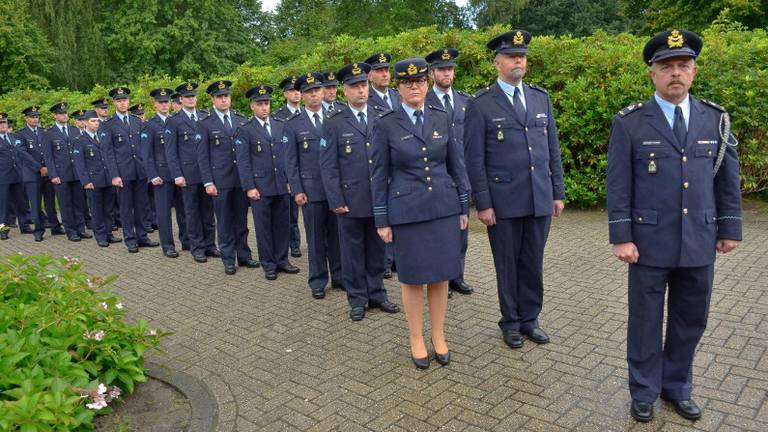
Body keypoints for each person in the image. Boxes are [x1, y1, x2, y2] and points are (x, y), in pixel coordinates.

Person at [606, 29, 742, 423]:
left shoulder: (715, 120)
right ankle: (645, 391)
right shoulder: (630, 123)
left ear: (694, 71)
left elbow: (726, 180)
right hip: (647, 243)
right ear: (653, 74)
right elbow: (618, 185)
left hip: (699, 238)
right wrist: (622, 235)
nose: (676, 74)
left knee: (690, 319)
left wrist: (730, 228)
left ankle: (677, 386)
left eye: (683, 66)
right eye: (667, 67)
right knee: (646, 321)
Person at [464, 30, 565, 350]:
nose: (518, 60)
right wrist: (483, 202)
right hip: (503, 201)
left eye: (521, 56)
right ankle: (510, 321)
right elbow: (474, 159)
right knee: (507, 264)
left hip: (538, 196)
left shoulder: (540, 98)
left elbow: (552, 149)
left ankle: (530, 319)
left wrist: (557, 191)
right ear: (497, 63)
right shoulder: (481, 104)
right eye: (511, 56)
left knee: (533, 262)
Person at [370, 58, 470, 369]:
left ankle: (438, 335)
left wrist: (463, 206)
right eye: (407, 82)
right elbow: (378, 174)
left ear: (427, 84)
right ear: (398, 87)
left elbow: (457, 165)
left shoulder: (442, 117)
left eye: (420, 81)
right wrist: (382, 219)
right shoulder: (386, 123)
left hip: (442, 207)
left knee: (441, 276)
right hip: (407, 211)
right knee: (412, 279)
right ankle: (416, 337)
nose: (415, 86)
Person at [320, 62, 400, 321]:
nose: (361, 91)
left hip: (379, 198)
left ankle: (377, 293)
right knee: (352, 252)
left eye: (363, 85)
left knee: (378, 249)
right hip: (350, 200)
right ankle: (357, 298)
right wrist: (335, 199)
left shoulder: (381, 115)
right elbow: (328, 165)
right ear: (344, 91)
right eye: (354, 87)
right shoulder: (334, 123)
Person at [284, 72, 343, 299]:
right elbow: (291, 162)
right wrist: (297, 189)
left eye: (317, 90)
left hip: (336, 190)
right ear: (302, 95)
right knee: (316, 239)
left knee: (337, 236)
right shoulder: (293, 124)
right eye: (308, 92)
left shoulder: (336, 117)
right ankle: (318, 280)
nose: (314, 95)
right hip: (312, 191)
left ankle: (339, 276)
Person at [235, 84, 300, 280]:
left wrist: (291, 181)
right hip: (260, 188)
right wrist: (249, 187)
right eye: (260, 104)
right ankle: (269, 264)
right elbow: (243, 162)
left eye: (266, 103)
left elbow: (289, 157)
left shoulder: (281, 125)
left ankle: (282, 260)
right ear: (252, 106)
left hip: (281, 185)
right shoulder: (245, 130)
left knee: (283, 225)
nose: (264, 107)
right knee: (263, 228)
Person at [197, 80, 259, 275]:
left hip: (240, 180)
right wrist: (208, 181)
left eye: (226, 96)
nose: (224, 100)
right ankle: (228, 258)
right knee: (224, 221)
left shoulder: (240, 119)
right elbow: (202, 156)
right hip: (220, 180)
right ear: (212, 99)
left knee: (241, 220)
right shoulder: (205, 124)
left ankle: (244, 255)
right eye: (220, 97)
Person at [425, 47, 473, 297]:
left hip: (463, 175)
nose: (447, 73)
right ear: (433, 73)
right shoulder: (424, 102)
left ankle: (457, 276)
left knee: (461, 230)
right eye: (442, 69)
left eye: (450, 69)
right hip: (438, 175)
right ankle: (439, 279)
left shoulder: (466, 101)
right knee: (439, 231)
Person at [165, 82, 219, 263]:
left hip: (207, 174)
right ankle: (197, 247)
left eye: (193, 96)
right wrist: (177, 174)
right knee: (192, 212)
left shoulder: (205, 117)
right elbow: (171, 152)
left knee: (208, 211)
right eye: (187, 97)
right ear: (181, 99)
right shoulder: (173, 121)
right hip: (188, 174)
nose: (191, 99)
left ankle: (210, 245)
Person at [101, 86, 159, 253]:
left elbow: (144, 149)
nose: (123, 103)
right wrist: (114, 175)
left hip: (140, 171)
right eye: (119, 100)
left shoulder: (136, 121)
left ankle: (142, 236)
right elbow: (108, 152)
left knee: (141, 205)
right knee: (126, 208)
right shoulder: (109, 125)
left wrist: (148, 170)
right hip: (123, 173)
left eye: (125, 100)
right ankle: (130, 239)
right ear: (114, 103)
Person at [141, 87, 189, 258]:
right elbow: (146, 154)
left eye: (166, 102)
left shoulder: (175, 121)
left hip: (178, 173)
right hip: (161, 175)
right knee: (163, 213)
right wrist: (153, 174)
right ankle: (168, 245)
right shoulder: (150, 125)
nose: (164, 105)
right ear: (155, 104)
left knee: (184, 210)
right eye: (160, 102)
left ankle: (187, 240)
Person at [365, 51, 400, 279]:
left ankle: (397, 257)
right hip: (379, 161)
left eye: (387, 70)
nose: (385, 74)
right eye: (379, 70)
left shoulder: (398, 96)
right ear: (370, 75)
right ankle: (385, 261)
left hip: (400, 162)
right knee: (382, 210)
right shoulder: (366, 100)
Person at [42, 102, 90, 241]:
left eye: (65, 113)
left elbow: (80, 153)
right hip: (61, 175)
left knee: (79, 202)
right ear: (55, 116)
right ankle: (71, 231)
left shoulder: (74, 130)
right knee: (65, 204)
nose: (64, 115)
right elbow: (48, 156)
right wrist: (53, 174)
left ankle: (81, 229)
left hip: (76, 173)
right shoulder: (49, 133)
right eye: (61, 113)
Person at [73, 110, 121, 247]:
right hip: (93, 181)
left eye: (97, 121)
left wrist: (114, 175)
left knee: (108, 209)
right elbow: (79, 164)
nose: (96, 123)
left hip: (107, 179)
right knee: (96, 210)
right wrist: (86, 181)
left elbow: (110, 157)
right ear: (86, 122)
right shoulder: (80, 140)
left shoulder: (103, 137)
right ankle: (100, 236)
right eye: (93, 121)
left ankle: (109, 234)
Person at [16, 105, 63, 241]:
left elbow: (49, 152)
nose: (35, 119)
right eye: (32, 117)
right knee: (36, 203)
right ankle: (38, 230)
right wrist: (39, 168)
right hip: (33, 174)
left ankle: (55, 226)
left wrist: (48, 168)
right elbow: (23, 153)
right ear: (26, 118)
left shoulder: (44, 132)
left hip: (48, 172)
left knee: (50, 202)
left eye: (37, 117)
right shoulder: (20, 134)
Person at [273, 75, 303, 258]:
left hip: (306, 168)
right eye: (292, 90)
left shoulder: (308, 112)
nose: (296, 94)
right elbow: (280, 148)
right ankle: (294, 244)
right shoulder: (278, 116)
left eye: (298, 90)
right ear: (285, 94)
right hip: (288, 169)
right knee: (290, 212)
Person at [0, 112, 24, 241]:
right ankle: (3, 229)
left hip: (17, 175)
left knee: (21, 202)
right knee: (2, 205)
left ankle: (24, 225)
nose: (3, 125)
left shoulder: (13, 137)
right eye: (0, 123)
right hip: (2, 176)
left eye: (4, 122)